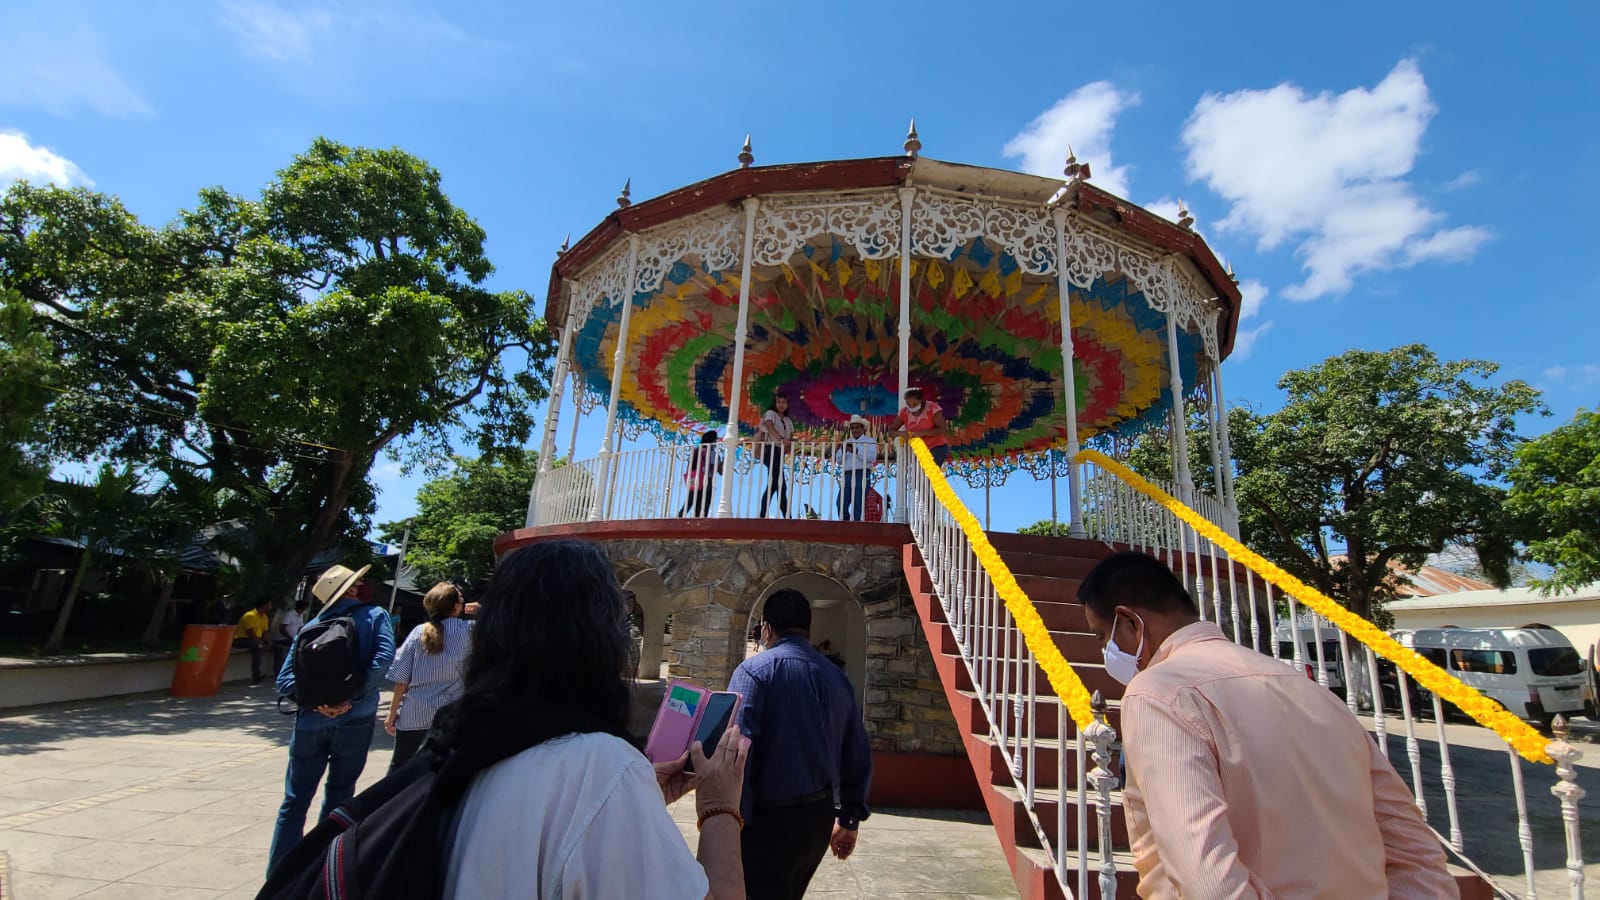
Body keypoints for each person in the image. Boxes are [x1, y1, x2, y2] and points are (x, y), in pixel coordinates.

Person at [1077, 552, 1457, 898]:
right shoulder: (1312, 691)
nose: (1105, 651)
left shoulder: (1159, 693)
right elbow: (1415, 852)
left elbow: (1208, 879)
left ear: (1130, 622)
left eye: (1102, 636)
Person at [439, 539, 750, 899]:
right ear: (604, 640)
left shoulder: (462, 740)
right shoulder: (600, 767)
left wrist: (635, 799)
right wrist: (719, 806)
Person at [728, 588, 872, 900]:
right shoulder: (837, 678)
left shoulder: (753, 673)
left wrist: (729, 821)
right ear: (808, 629)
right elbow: (857, 754)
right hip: (817, 822)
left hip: (768, 823)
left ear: (766, 629)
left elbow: (738, 751)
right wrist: (848, 818)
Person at [268, 563, 395, 869]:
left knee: (295, 801)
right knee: (340, 795)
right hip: (356, 719)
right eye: (358, 581)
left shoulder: (312, 624)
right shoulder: (376, 616)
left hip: (310, 722)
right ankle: (320, 866)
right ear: (351, 590)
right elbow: (382, 659)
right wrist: (351, 696)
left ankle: (279, 873)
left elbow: (284, 681)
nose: (363, 584)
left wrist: (318, 703)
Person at [384, 583, 477, 771]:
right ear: (457, 607)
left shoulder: (419, 632)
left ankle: (391, 800)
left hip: (415, 711)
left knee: (400, 766)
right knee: (443, 767)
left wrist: (392, 712)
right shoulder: (470, 630)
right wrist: (482, 610)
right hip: (452, 712)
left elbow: (402, 678)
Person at [757, 391, 795, 518]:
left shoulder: (788, 421)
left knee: (774, 484)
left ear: (787, 404)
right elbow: (769, 426)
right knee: (780, 483)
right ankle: (787, 516)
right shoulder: (771, 414)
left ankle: (764, 514)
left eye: (783, 402)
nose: (781, 405)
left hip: (780, 453)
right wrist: (780, 439)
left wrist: (788, 443)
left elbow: (789, 438)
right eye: (778, 402)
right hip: (771, 449)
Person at [832, 415, 877, 521]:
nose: (855, 430)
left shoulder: (869, 441)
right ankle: (845, 524)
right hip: (847, 475)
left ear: (863, 428)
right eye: (852, 427)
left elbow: (872, 458)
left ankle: (856, 525)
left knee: (858, 503)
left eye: (857, 427)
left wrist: (856, 451)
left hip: (862, 474)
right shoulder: (846, 442)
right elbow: (838, 461)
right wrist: (844, 451)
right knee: (841, 503)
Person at [894, 386, 949, 467]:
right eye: (908, 404)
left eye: (915, 404)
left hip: (936, 447)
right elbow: (891, 430)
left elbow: (942, 429)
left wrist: (923, 433)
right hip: (917, 449)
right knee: (918, 475)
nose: (912, 407)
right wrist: (901, 434)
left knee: (929, 472)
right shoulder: (904, 412)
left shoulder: (932, 408)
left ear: (921, 400)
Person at [679, 429, 721, 517]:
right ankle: (698, 522)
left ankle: (679, 517)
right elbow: (719, 470)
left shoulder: (697, 450)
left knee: (690, 501)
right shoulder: (712, 452)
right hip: (706, 481)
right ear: (713, 441)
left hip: (694, 479)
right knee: (703, 506)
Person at [234, 599, 272, 684]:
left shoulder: (264, 616)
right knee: (257, 647)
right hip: (242, 639)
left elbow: (265, 631)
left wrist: (269, 642)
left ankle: (277, 673)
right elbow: (250, 633)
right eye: (269, 605)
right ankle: (256, 675)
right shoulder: (250, 615)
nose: (271, 607)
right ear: (263, 605)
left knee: (278, 648)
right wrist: (261, 643)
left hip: (256, 639)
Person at [272, 598, 309, 681]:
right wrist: (290, 637)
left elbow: (300, 627)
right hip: (283, 639)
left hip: (293, 639)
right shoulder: (289, 614)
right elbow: (282, 628)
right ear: (303, 608)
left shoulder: (300, 616)